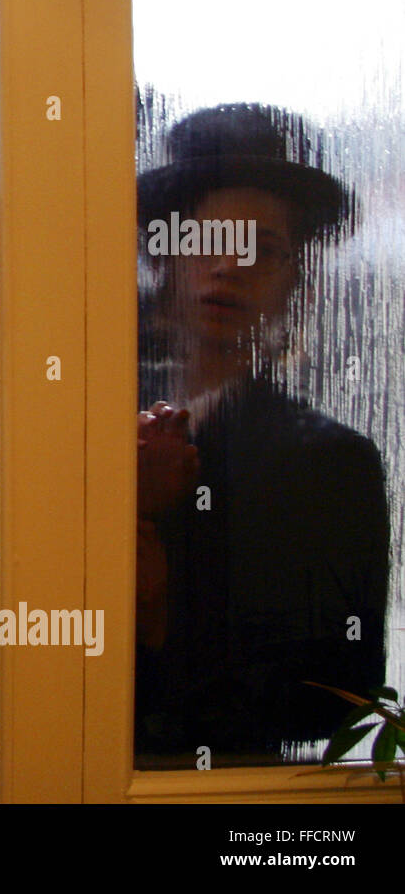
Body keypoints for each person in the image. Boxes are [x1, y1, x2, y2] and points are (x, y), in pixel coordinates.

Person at [134, 104, 391, 762]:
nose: (231, 266)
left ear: (295, 286)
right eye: (208, 241)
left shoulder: (332, 461)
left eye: (265, 250)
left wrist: (165, 612)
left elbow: (341, 695)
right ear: (165, 262)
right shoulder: (82, 421)